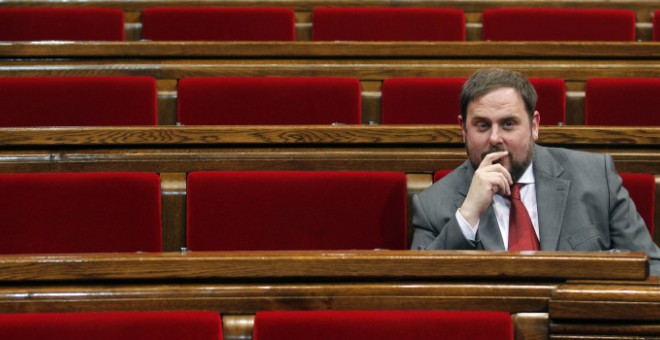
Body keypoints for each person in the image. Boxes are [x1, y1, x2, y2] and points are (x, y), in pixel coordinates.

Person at [411, 68, 660, 276]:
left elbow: (652, 267)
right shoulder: (432, 205)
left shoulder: (596, 178)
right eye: (482, 125)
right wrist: (468, 215)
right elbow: (417, 286)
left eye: (509, 124)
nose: (495, 138)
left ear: (534, 126)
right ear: (463, 130)